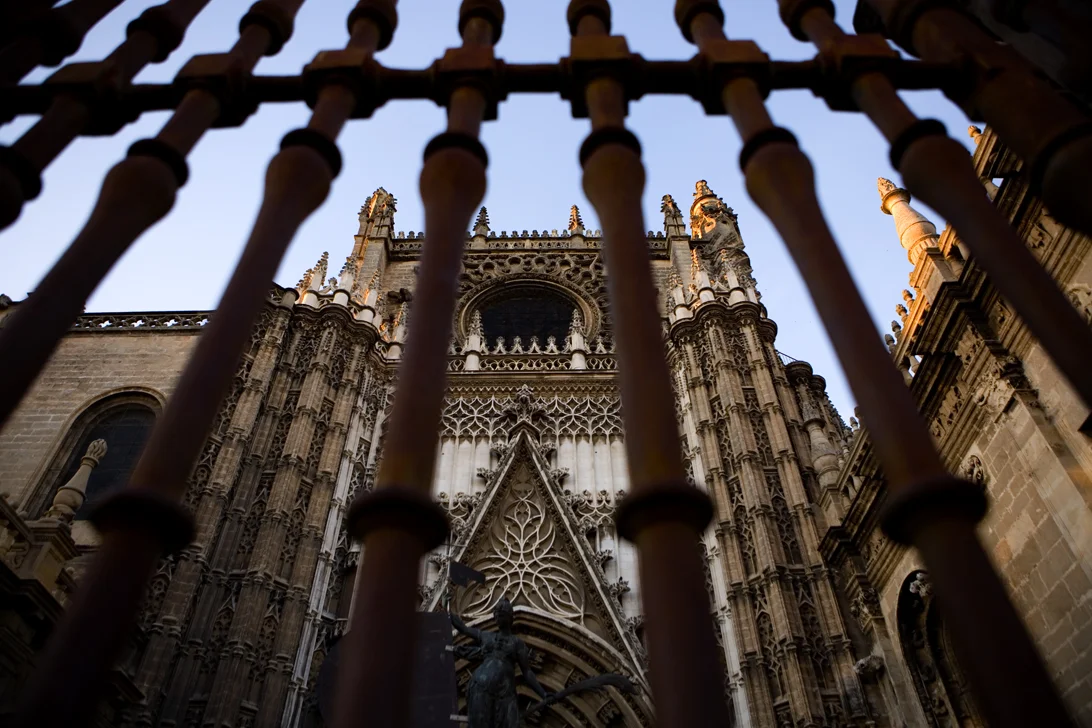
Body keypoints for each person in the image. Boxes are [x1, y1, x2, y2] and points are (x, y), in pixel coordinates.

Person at [449, 597, 549, 728]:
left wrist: (543, 693)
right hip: (480, 687)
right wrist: (448, 611)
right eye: (496, 614)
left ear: (509, 617)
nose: (497, 618)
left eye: (501, 615)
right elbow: (463, 629)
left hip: (504, 691)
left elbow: (527, 672)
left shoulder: (517, 643)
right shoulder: (487, 636)